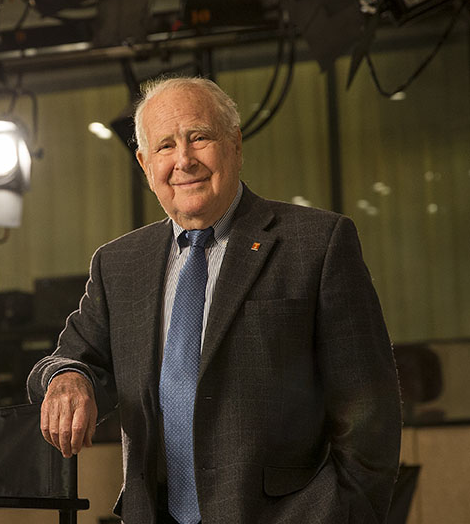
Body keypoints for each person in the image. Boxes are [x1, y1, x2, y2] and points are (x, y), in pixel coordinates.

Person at [26, 77, 402, 524]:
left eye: (198, 137)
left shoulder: (316, 243)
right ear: (146, 165)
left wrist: (339, 515)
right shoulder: (119, 263)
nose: (183, 160)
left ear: (235, 145)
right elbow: (70, 358)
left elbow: (370, 414)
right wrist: (67, 376)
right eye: (165, 146)